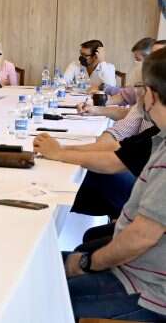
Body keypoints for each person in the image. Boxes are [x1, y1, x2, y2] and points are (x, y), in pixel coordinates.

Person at [61, 48, 166, 322]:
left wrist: (87, 263)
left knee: (42, 295)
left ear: (151, 95)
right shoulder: (161, 138)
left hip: (148, 291)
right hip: (139, 272)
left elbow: (141, 237)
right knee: (51, 267)